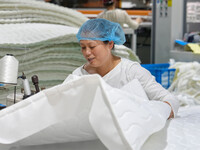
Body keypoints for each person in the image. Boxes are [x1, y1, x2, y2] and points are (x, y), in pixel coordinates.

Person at [73, 18, 179, 118]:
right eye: (83, 47)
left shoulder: (131, 72)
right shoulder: (79, 75)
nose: (87, 52)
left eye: (92, 46)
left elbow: (170, 100)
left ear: (110, 44)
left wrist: (152, 114)